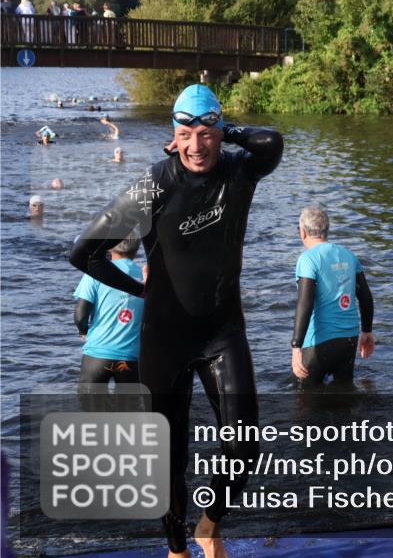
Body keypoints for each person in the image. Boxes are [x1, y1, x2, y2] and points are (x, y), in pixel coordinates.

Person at [70, 84, 283, 558]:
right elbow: (82, 252)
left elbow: (272, 143)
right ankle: (177, 549)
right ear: (172, 135)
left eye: (206, 132)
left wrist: (227, 131)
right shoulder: (153, 185)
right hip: (163, 338)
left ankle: (209, 526)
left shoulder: (239, 171)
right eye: (185, 132)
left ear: (220, 132)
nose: (195, 145)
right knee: (169, 459)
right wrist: (140, 290)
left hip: (223, 330)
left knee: (245, 447)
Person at [291, 205, 375, 386]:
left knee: (304, 399)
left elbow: (305, 304)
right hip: (349, 339)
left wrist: (296, 346)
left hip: (318, 342)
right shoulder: (348, 255)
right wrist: (367, 331)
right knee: (344, 395)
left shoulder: (308, 259)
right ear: (326, 231)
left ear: (303, 232)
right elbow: (366, 297)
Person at [74, 234, 144, 403]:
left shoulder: (95, 273)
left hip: (97, 357)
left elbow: (80, 315)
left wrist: (83, 330)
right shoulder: (146, 276)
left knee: (91, 418)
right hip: (131, 359)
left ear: (109, 247)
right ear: (136, 249)